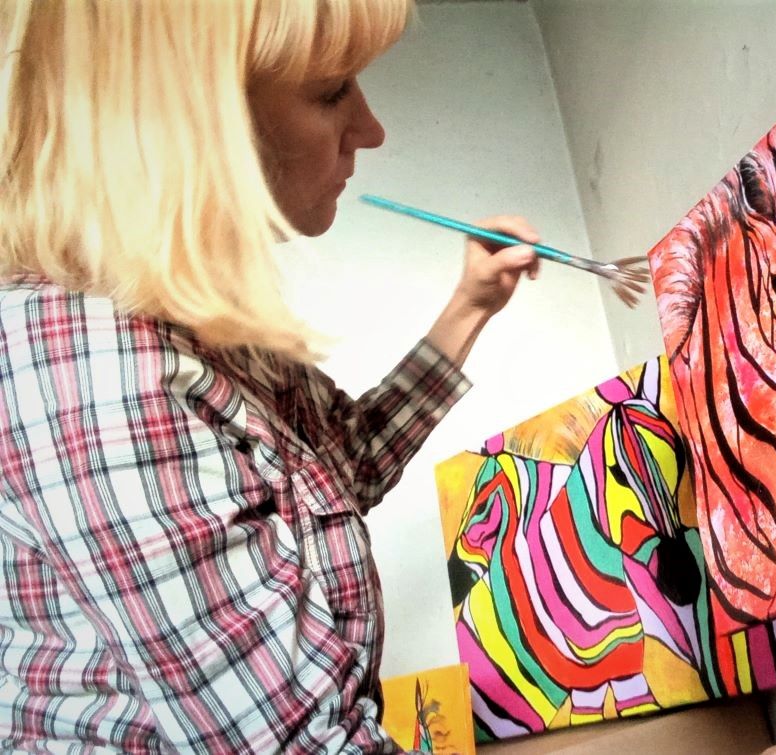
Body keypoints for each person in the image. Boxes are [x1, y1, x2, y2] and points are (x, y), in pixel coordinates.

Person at [0, 0, 540, 751]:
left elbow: (345, 463)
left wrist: (469, 307)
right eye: (332, 91)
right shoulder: (90, 366)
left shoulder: (191, 316)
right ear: (188, 121)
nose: (371, 130)